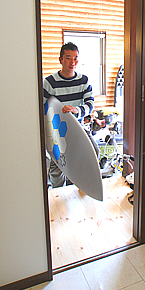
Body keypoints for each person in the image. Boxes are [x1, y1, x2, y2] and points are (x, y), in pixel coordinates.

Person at [43, 42, 98, 188]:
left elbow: (90, 103)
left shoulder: (84, 81)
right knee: (58, 166)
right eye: (68, 58)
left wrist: (77, 110)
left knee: (94, 152)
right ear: (60, 60)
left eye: (75, 58)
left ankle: (84, 186)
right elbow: (42, 107)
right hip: (57, 132)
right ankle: (58, 194)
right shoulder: (49, 82)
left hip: (78, 128)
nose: (72, 62)